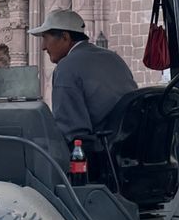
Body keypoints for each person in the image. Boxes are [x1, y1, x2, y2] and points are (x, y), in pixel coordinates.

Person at [29, 8, 137, 144]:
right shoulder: (113, 58)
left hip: (103, 153)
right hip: (132, 146)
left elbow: (71, 132)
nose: (43, 47)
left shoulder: (66, 67)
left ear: (65, 37)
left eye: (45, 38)